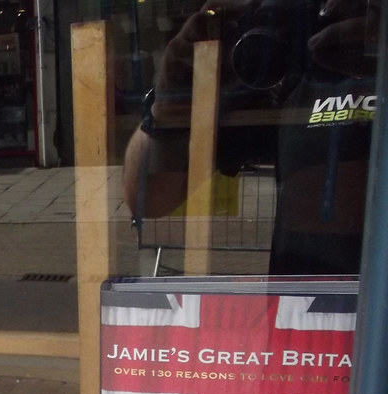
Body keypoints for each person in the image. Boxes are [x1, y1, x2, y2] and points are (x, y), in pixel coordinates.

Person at [123, 0, 377, 275]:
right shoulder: (297, 59)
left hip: (318, 293)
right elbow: (149, 200)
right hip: (301, 296)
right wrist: (168, 107)